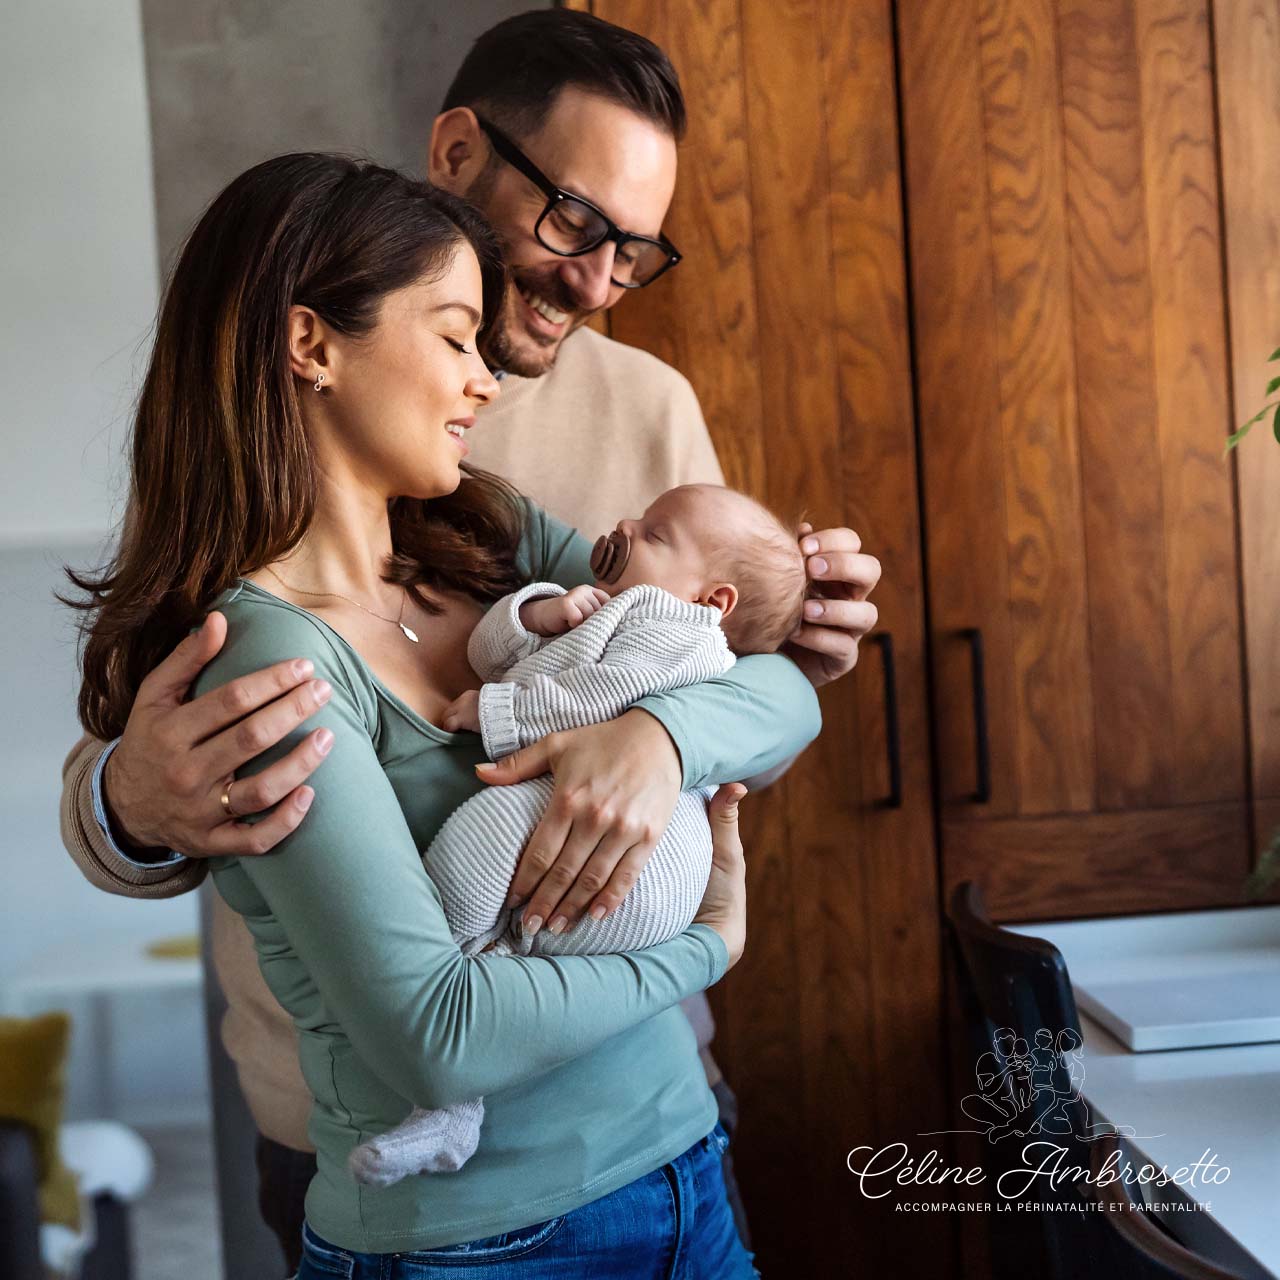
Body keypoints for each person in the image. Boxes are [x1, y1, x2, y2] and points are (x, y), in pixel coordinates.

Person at [58, 9, 880, 1266]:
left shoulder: (491, 511)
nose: (599, 282)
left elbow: (754, 677)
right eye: (575, 225)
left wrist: (659, 733)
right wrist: (130, 795)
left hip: (669, 1138)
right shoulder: (262, 609)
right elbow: (420, 1019)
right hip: (449, 1196)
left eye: (635, 252)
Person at [347, 484, 808, 1187]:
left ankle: (452, 1063)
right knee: (497, 923)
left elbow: (600, 697)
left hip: (647, 862)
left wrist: (496, 711)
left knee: (481, 835)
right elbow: (490, 649)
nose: (625, 525)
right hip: (607, 843)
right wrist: (540, 612)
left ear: (714, 601)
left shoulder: (680, 631)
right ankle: (455, 1106)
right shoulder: (608, 602)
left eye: (655, 534)